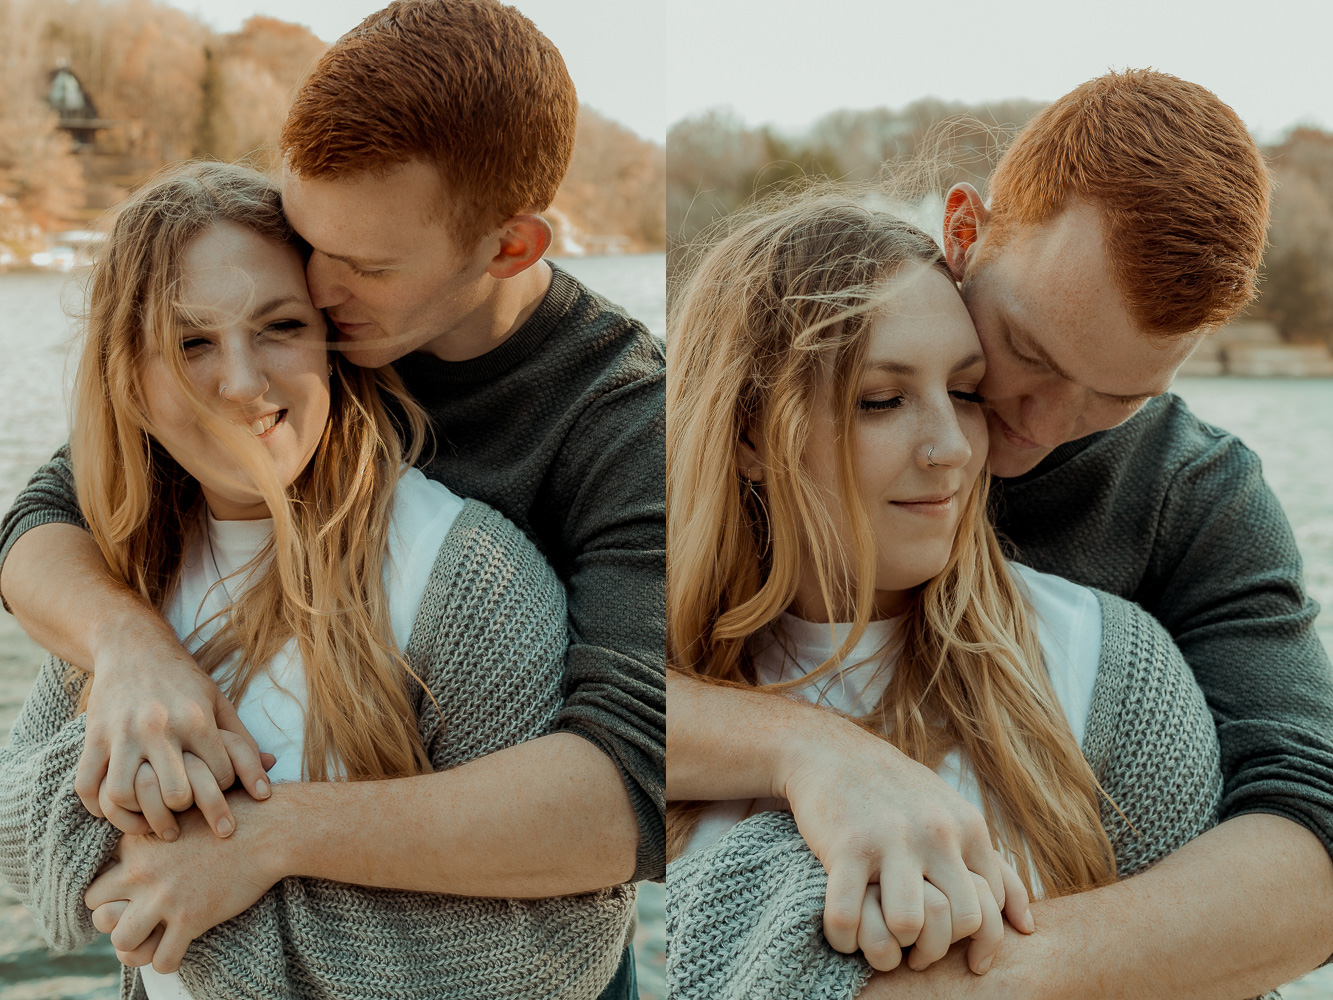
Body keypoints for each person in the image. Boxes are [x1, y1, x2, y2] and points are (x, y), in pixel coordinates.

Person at [0, 0, 663, 989]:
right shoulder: (305, 334)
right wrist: (129, 647)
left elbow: (624, 795)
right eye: (306, 236)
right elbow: (53, 511)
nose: (314, 283)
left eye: (360, 265)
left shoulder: (622, 422)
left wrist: (259, 838)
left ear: (509, 248)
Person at [667, 69, 1333, 997]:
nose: (1035, 426)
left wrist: (979, 982)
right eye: (1026, 354)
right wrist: (816, 752)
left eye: (1116, 397)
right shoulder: (772, 405)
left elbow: (1310, 838)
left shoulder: (1194, 496)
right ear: (965, 231)